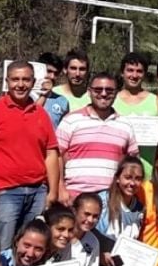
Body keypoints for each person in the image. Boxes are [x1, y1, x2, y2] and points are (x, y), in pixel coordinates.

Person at [0, 61, 59, 250]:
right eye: (15, 79)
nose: (20, 84)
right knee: (1, 248)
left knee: (31, 248)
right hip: (4, 192)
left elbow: (51, 153)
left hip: (37, 192)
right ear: (7, 81)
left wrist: (52, 191)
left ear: (33, 82)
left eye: (26, 79)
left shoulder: (41, 114)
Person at [56, 72, 139, 204]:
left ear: (116, 93)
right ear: (89, 92)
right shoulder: (70, 120)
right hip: (75, 197)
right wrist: (60, 188)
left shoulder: (125, 125)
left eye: (109, 90)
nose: (104, 94)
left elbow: (133, 162)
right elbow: (56, 156)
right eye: (98, 90)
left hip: (111, 198)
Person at [94, 156, 148, 266]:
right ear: (117, 178)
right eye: (127, 177)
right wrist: (102, 250)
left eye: (137, 179)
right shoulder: (101, 201)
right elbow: (83, 229)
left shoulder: (139, 208)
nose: (132, 183)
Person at [113, 52, 158, 175]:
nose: (134, 75)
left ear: (144, 74)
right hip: (117, 172)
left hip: (149, 173)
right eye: (130, 70)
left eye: (139, 71)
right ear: (122, 72)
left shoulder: (156, 101)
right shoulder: (111, 101)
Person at [34, 52, 70, 129]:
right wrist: (43, 95)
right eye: (49, 71)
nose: (52, 76)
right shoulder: (23, 97)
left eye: (56, 73)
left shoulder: (63, 101)